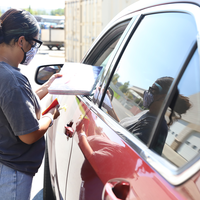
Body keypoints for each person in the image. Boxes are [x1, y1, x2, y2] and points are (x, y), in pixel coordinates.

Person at [0, 9, 62, 200]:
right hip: (13, 174)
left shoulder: (6, 74)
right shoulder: (12, 79)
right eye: (34, 43)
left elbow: (15, 107)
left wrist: (47, 88)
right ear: (21, 41)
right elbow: (28, 135)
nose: (34, 50)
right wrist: (50, 117)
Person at [107, 77, 191, 155]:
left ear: (165, 97)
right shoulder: (146, 113)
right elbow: (123, 131)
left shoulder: (153, 126)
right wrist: (109, 107)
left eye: (152, 89)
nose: (147, 92)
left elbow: (122, 152)